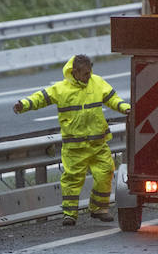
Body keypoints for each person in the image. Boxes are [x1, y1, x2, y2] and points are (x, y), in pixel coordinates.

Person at [13, 54, 130, 225]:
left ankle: (98, 209)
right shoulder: (61, 89)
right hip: (74, 146)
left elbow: (113, 99)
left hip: (98, 143)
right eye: (85, 73)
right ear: (74, 72)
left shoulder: (97, 82)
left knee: (105, 173)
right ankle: (69, 214)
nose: (88, 76)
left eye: (90, 72)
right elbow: (40, 98)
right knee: (72, 180)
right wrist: (22, 104)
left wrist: (126, 108)